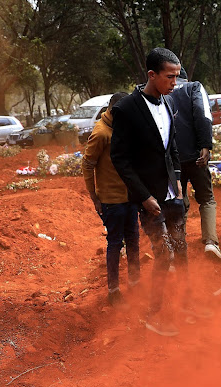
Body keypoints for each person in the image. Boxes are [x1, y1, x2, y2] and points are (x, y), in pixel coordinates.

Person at [111, 47, 207, 336]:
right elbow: (120, 159)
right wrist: (143, 196)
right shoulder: (127, 109)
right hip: (147, 198)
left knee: (181, 249)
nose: (175, 84)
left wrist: (177, 180)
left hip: (171, 194)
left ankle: (187, 304)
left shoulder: (167, 103)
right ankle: (155, 314)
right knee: (164, 254)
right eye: (170, 77)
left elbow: (172, 148)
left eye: (177, 77)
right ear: (152, 75)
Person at [82, 91, 139, 305]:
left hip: (130, 197)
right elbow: (87, 164)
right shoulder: (100, 133)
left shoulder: (122, 128)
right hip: (111, 201)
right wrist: (94, 197)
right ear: (115, 111)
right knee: (115, 243)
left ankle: (135, 283)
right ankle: (113, 290)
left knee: (133, 240)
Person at [170, 67, 221, 262]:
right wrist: (205, 145)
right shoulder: (194, 88)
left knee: (179, 201)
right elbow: (203, 115)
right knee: (206, 198)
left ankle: (178, 248)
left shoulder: (162, 91)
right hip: (195, 157)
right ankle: (211, 241)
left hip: (172, 160)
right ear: (186, 77)